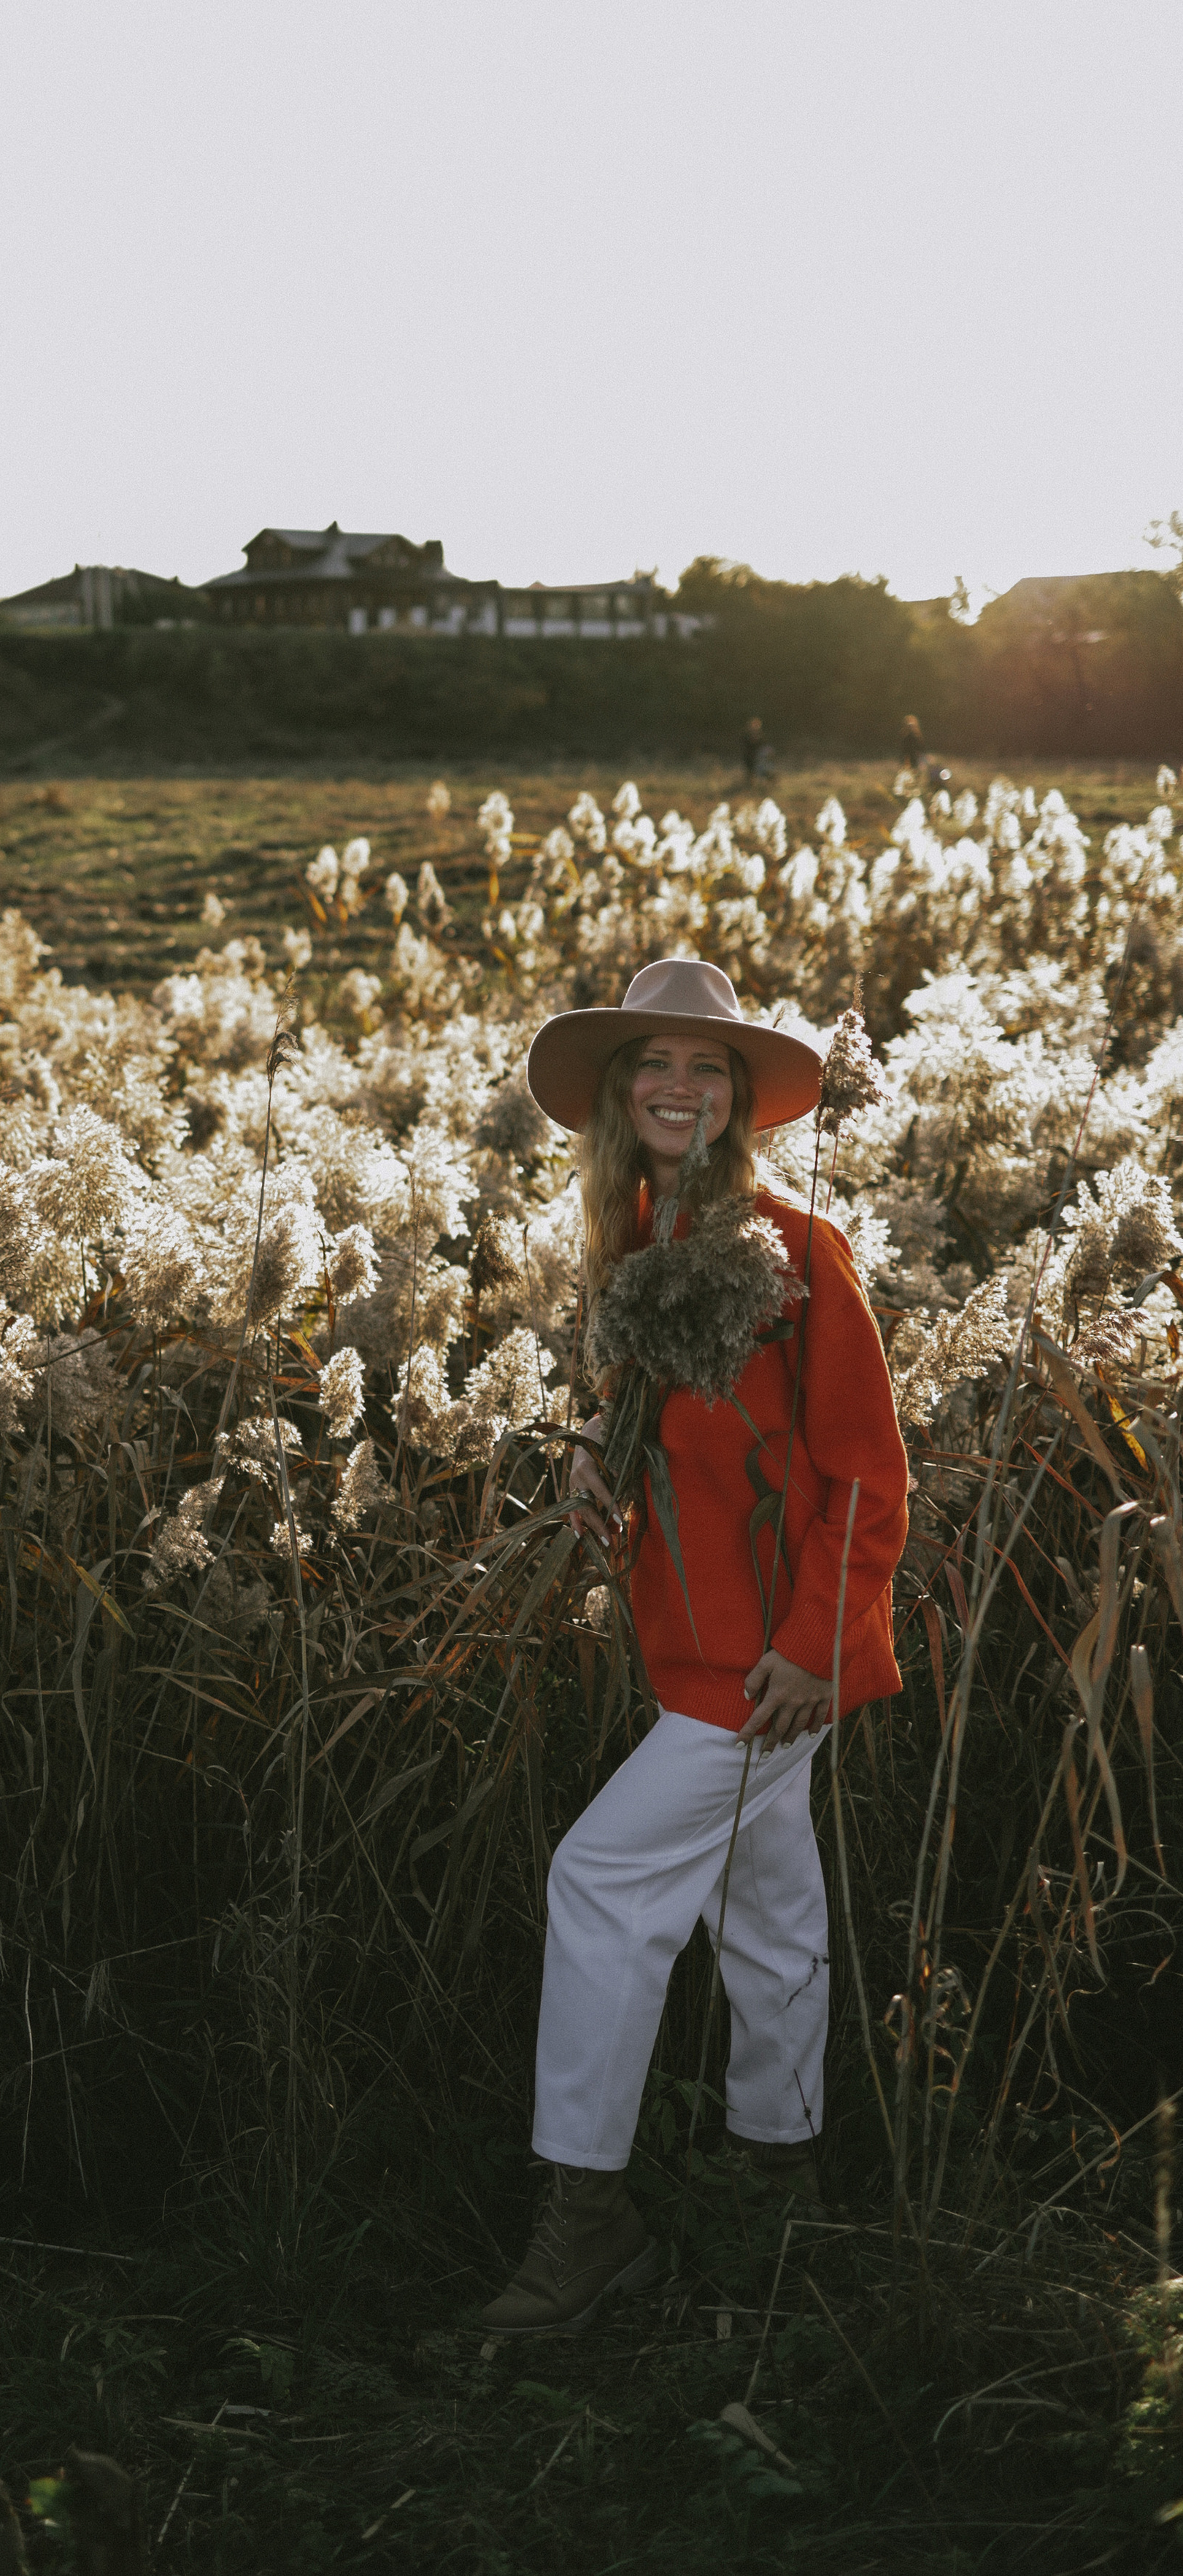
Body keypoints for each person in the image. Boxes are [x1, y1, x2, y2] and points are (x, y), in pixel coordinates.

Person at [478, 959, 909, 2335]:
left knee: (601, 1881)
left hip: (767, 1669)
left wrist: (816, 1646)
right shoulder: (641, 1239)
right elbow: (677, 1437)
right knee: (768, 1914)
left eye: (706, 1066)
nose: (679, 1085)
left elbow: (868, 1473)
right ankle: (779, 2184)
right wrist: (597, 1465)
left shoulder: (797, 1250)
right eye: (654, 1063)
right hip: (706, 1652)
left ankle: (589, 2219)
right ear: (622, 1093)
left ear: (737, 1097)